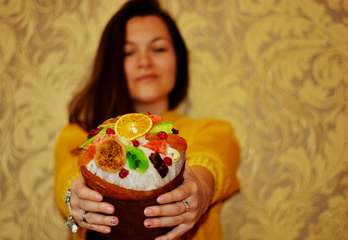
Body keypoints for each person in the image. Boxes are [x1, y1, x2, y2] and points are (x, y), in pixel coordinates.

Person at [54, 0, 240, 240]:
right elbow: (68, 175)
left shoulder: (212, 130)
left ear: (179, 59)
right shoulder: (77, 136)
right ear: (112, 64)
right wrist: (75, 195)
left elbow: (210, 160)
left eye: (158, 49)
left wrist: (201, 187)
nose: (145, 61)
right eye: (128, 52)